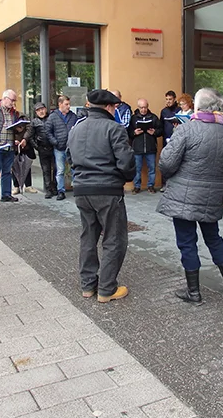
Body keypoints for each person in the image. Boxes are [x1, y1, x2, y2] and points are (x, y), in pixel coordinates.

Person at [157, 88, 223, 304]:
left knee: (187, 242)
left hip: (182, 197)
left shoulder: (186, 130)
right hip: (211, 196)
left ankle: (194, 292)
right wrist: (215, 176)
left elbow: (166, 164)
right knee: (214, 239)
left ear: (197, 106)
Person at [67, 89, 136, 303]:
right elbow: (126, 163)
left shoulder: (76, 128)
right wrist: (124, 177)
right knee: (114, 239)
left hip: (82, 190)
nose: (115, 110)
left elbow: (70, 157)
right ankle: (107, 288)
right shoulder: (114, 128)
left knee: (88, 236)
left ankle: (88, 286)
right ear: (108, 107)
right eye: (114, 107)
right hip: (107, 190)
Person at [0, 90, 29, 206]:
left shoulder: (13, 113)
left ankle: (6, 195)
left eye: (14, 101)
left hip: (9, 147)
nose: (13, 103)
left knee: (7, 172)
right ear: (4, 98)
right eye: (12, 100)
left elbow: (12, 128)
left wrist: (18, 130)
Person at [45, 95, 78, 201]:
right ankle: (61, 191)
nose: (68, 106)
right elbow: (48, 131)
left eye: (69, 104)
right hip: (59, 148)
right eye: (66, 104)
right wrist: (55, 142)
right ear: (60, 104)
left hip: (71, 147)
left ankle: (77, 189)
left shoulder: (73, 116)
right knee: (60, 170)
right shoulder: (53, 116)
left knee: (74, 169)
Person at [128, 98, 161, 193]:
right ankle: (137, 186)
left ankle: (151, 186)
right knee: (137, 169)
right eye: (141, 107)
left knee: (152, 168)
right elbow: (128, 132)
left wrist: (154, 132)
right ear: (138, 107)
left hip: (151, 147)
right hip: (137, 147)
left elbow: (160, 130)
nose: (143, 110)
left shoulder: (153, 117)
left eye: (145, 107)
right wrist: (134, 132)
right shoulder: (133, 118)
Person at [31, 102, 58, 198]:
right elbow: (31, 137)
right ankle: (48, 189)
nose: (41, 112)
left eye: (42, 109)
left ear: (45, 109)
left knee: (56, 169)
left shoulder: (52, 118)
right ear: (36, 112)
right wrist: (37, 147)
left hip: (53, 148)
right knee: (46, 170)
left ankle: (55, 187)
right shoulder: (34, 122)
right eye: (38, 110)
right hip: (42, 149)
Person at [159, 90, 181, 192]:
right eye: (166, 99)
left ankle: (176, 185)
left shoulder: (179, 110)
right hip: (166, 141)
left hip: (178, 140)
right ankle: (165, 184)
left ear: (174, 99)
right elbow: (160, 126)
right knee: (166, 162)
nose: (168, 101)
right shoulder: (163, 111)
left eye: (170, 99)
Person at [10, 114, 37, 195]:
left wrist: (24, 140)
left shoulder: (26, 123)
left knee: (27, 167)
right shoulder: (11, 123)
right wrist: (14, 141)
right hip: (15, 149)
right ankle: (16, 186)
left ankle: (28, 186)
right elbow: (9, 133)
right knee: (15, 168)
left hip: (26, 148)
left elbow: (30, 131)